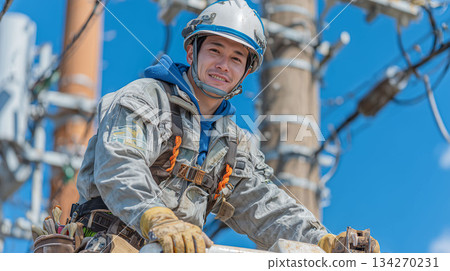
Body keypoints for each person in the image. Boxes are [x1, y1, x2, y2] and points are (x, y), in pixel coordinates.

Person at [72, 0, 379, 253]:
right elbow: (119, 166)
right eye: (215, 50)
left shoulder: (232, 144)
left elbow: (265, 206)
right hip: (110, 249)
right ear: (192, 52)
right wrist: (158, 219)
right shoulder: (146, 98)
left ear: (246, 71)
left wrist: (324, 242)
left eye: (236, 58)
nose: (223, 65)